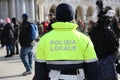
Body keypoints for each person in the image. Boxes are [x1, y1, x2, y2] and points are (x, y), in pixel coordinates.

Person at [33, 3, 99, 80]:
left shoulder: (44, 39)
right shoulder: (84, 38)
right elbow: (93, 68)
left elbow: (39, 71)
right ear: (72, 18)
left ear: (56, 17)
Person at [88, 0, 119, 80]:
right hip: (108, 69)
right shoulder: (109, 32)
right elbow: (115, 49)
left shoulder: (92, 33)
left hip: (95, 68)